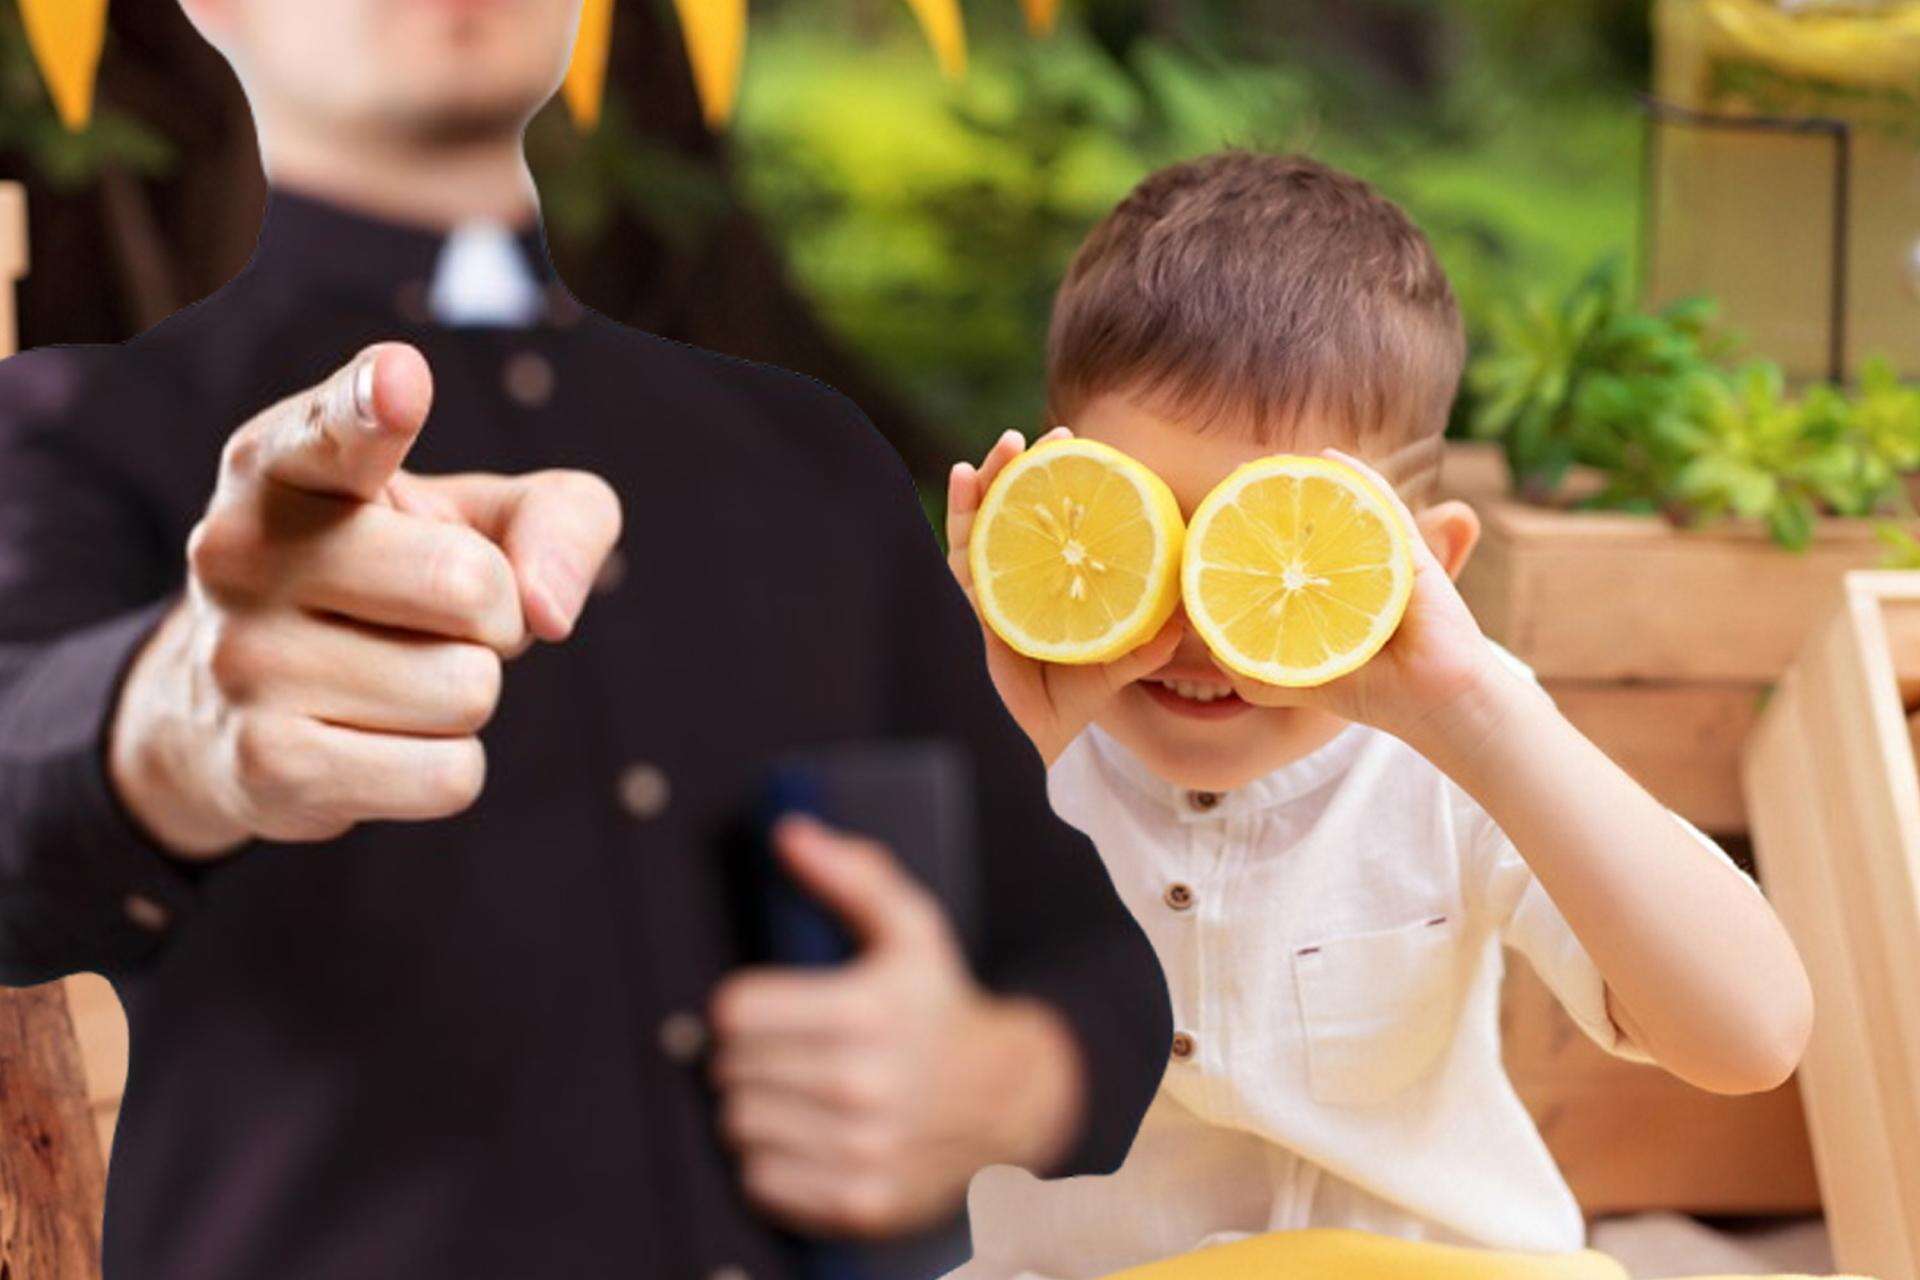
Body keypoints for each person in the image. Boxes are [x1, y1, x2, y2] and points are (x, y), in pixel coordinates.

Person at [0, 1, 1171, 1276]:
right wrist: (167, 726)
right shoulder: (72, 434)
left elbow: (1096, 950)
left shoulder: (810, 457)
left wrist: (1004, 1079)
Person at [940, 152, 1813, 1278]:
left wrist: (1479, 715)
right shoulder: (990, 740)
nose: (1203, 621)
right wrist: (1001, 736)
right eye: (1152, 532)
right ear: (1051, 520)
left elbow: (1753, 1035)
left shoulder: (1458, 749)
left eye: (1279, 544)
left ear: (1432, 560)